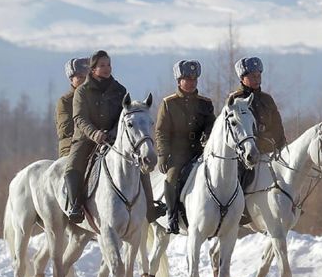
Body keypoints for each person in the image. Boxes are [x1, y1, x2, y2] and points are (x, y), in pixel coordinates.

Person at [63, 50, 164, 224]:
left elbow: (124, 116)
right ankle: (76, 206)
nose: (106, 68)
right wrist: (95, 134)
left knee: (141, 165)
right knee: (73, 167)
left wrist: (112, 133)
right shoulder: (82, 91)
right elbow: (79, 118)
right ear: (93, 69)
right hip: (86, 139)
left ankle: (149, 208)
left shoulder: (120, 90)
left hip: (114, 138)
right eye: (102, 65)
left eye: (108, 64)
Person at [155, 60, 215, 234]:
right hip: (178, 152)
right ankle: (172, 216)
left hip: (201, 150)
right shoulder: (169, 103)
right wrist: (163, 154)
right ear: (179, 80)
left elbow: (212, 124)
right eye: (187, 78)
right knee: (172, 178)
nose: (192, 82)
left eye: (194, 78)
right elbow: (161, 132)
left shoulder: (205, 103)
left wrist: (208, 135)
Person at [227, 57, 286, 189]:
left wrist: (278, 144)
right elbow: (237, 130)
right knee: (242, 178)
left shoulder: (267, 99)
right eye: (253, 76)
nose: (257, 79)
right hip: (246, 156)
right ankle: (239, 204)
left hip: (270, 152)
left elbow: (277, 126)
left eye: (258, 76)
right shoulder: (236, 100)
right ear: (242, 78)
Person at [55, 57, 89, 158]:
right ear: (71, 79)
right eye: (80, 77)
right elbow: (66, 130)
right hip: (71, 148)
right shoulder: (65, 102)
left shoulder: (96, 99)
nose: (84, 80)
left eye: (87, 77)